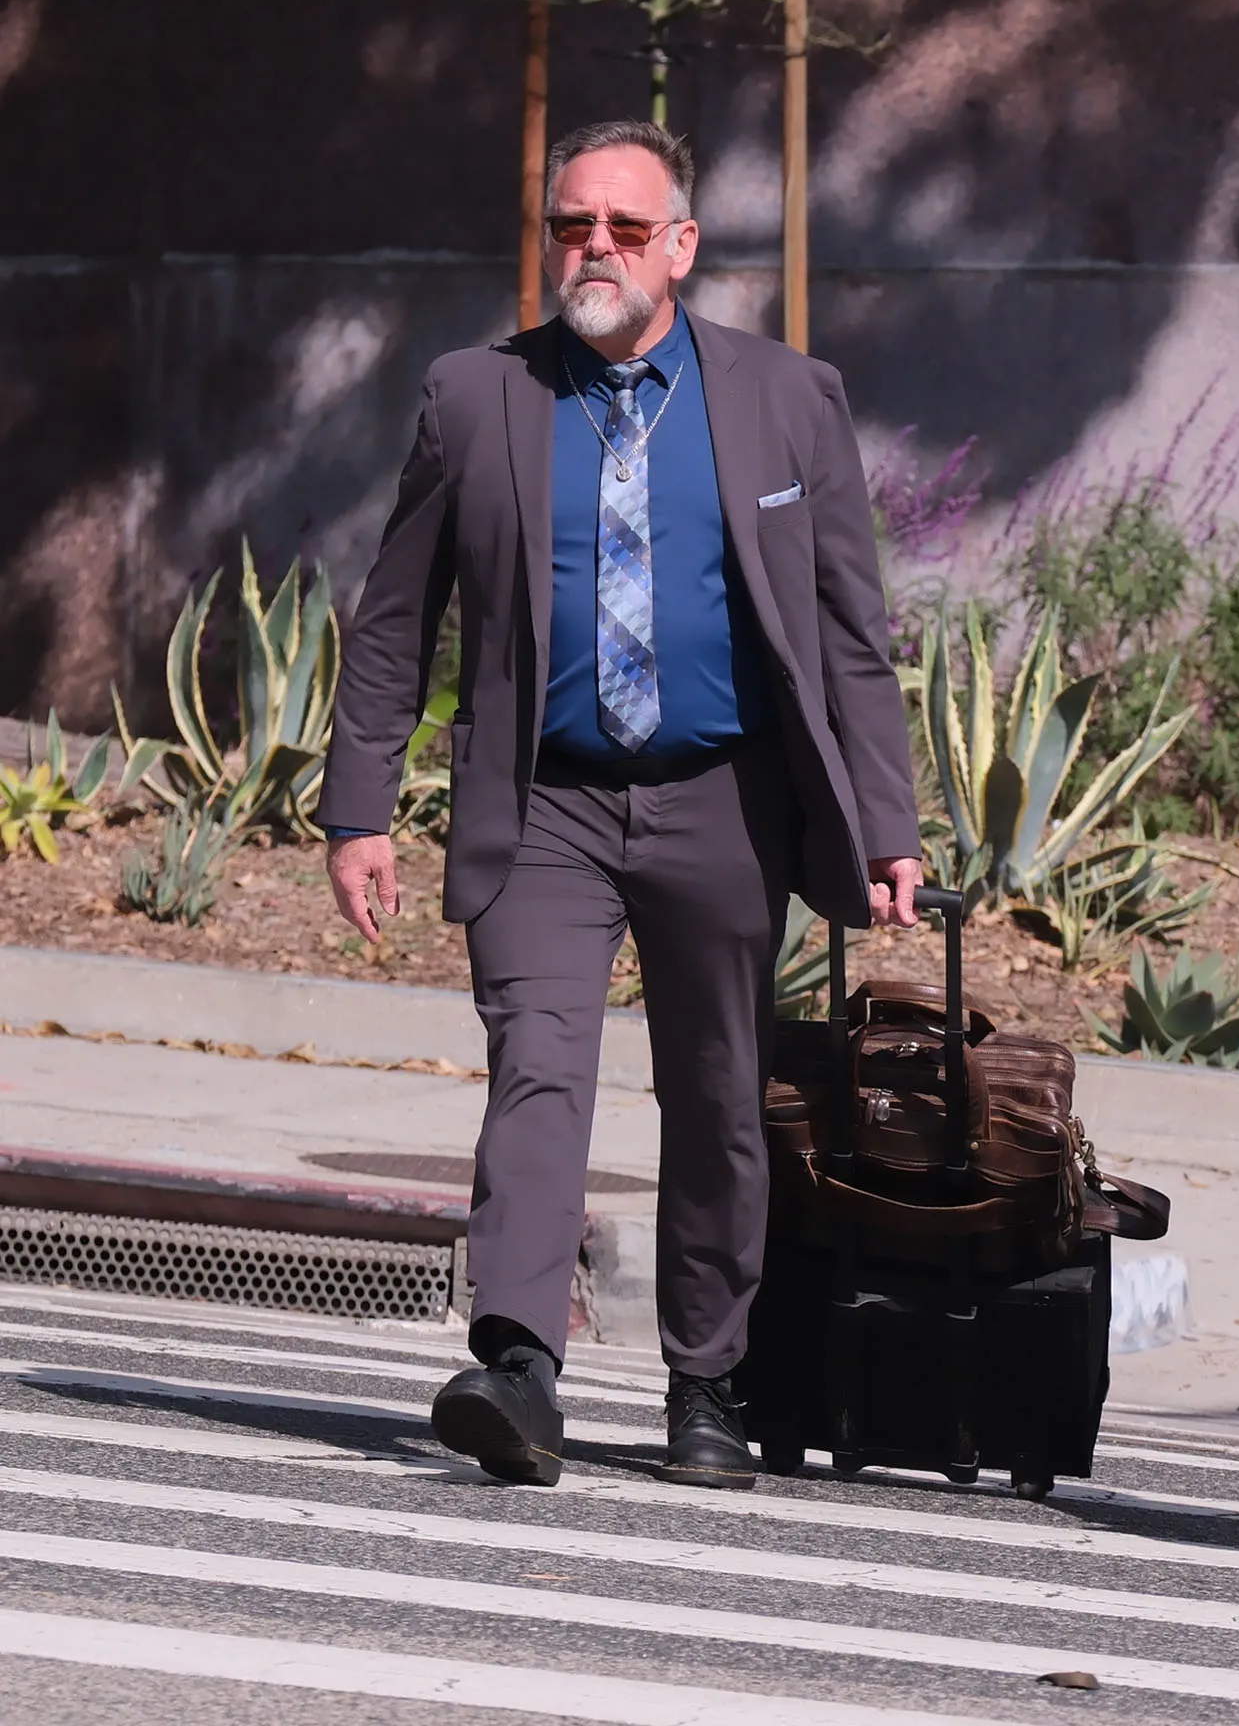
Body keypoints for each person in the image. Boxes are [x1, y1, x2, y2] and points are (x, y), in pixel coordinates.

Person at [319, 119, 922, 1493]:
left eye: (624, 230)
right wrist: (360, 809)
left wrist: (886, 821)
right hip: (546, 805)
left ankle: (705, 1380)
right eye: (569, 226)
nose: (592, 249)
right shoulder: (478, 397)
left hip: (727, 799)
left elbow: (848, 632)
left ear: (683, 250)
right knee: (538, 1064)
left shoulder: (786, 398)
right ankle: (519, 1364)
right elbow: (395, 621)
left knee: (716, 1098)